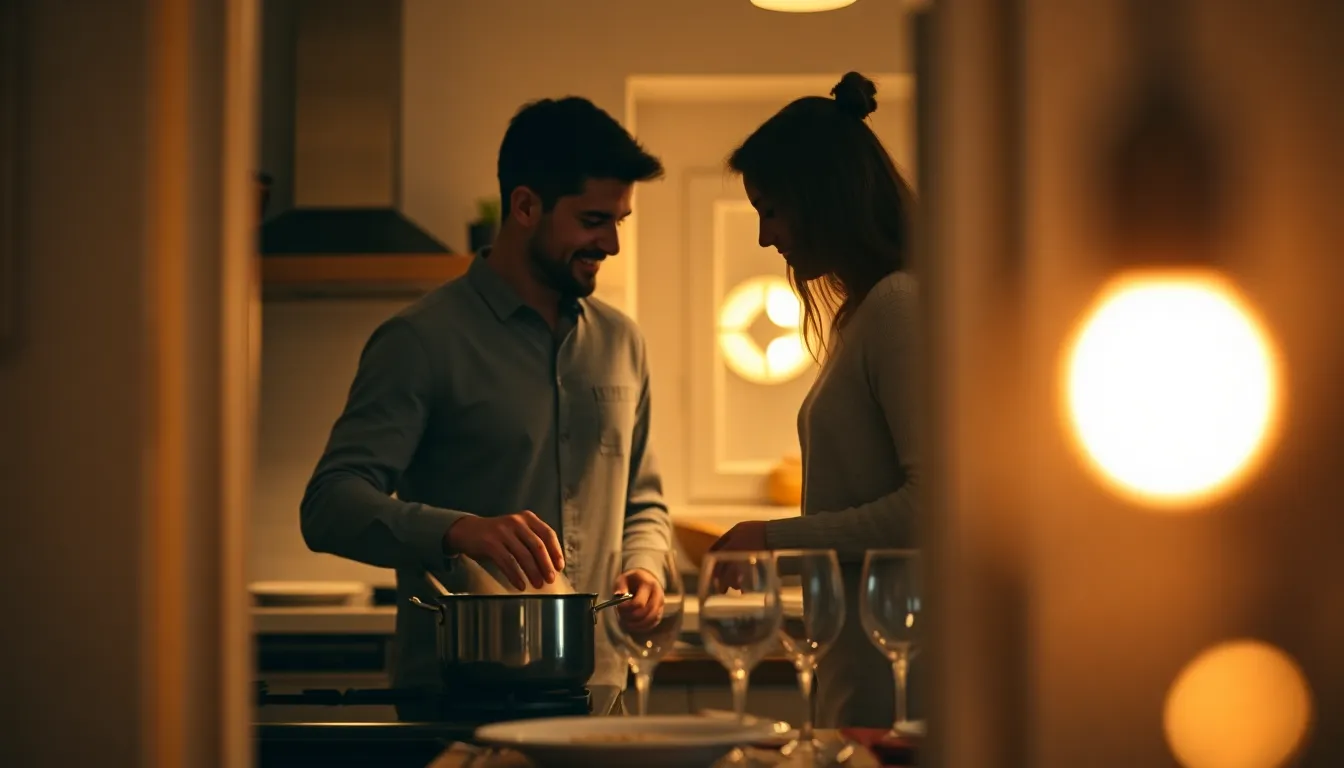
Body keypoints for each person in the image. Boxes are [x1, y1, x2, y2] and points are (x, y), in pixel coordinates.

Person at [300, 96, 673, 692]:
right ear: (525, 206)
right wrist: (458, 530)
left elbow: (645, 501)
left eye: (618, 221)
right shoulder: (420, 340)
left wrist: (645, 565)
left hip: (599, 697)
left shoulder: (623, 342)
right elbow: (328, 507)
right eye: (592, 220)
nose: (611, 244)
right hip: (457, 702)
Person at [708, 72, 922, 728]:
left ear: (826, 199)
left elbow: (933, 509)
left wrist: (768, 538)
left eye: (771, 211)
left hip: (902, 686)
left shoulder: (899, 305)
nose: (766, 238)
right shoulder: (864, 314)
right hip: (867, 679)